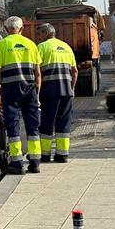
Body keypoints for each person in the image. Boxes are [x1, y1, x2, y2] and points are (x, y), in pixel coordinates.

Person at [0, 16, 42, 174]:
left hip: (10, 89)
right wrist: (37, 93)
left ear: (6, 29)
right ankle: (35, 162)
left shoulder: (3, 44)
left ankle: (17, 163)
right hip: (30, 89)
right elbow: (38, 73)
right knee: (33, 126)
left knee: (13, 125)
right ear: (22, 29)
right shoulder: (31, 44)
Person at [36, 23, 78, 164]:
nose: (39, 37)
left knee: (47, 123)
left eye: (40, 34)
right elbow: (75, 71)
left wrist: (36, 92)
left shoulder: (42, 47)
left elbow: (37, 71)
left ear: (46, 33)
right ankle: (62, 155)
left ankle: (45, 155)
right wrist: (71, 88)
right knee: (63, 124)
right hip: (66, 92)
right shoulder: (66, 47)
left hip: (49, 92)